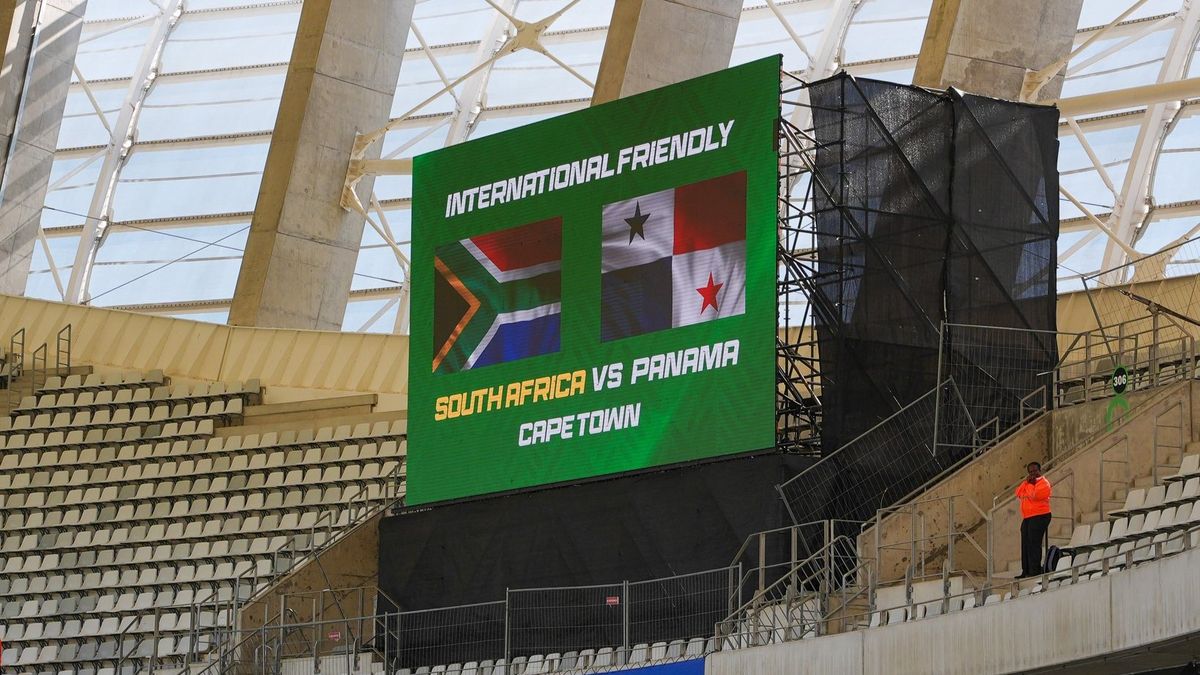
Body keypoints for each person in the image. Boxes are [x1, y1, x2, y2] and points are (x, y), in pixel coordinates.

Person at [1015, 461, 1052, 578]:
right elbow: (1018, 493)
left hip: (1040, 515)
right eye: (1030, 472)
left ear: (1039, 471)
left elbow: (1034, 496)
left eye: (1035, 471)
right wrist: (1026, 482)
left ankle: (1034, 570)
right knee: (1025, 544)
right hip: (1027, 517)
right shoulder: (1028, 482)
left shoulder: (1044, 483)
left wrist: (1030, 485)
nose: (1033, 474)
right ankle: (1025, 570)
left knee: (1033, 543)